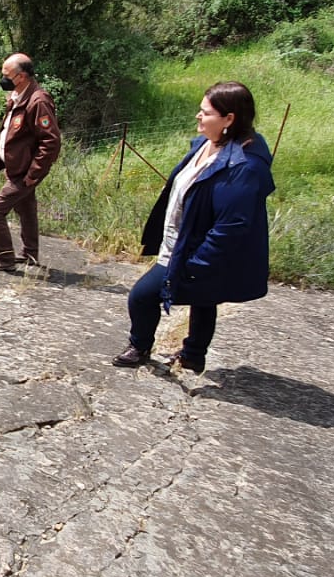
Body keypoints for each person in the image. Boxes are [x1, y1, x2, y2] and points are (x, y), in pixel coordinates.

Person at [115, 81, 273, 374]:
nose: (198, 117)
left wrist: (195, 264)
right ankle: (193, 355)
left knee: (142, 295)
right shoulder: (206, 144)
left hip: (192, 250)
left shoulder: (243, 167)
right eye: (200, 111)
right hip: (181, 239)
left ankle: (139, 346)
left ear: (229, 119)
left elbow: (231, 226)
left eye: (206, 113)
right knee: (205, 298)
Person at [0, 53, 61, 271]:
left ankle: (6, 260)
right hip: (16, 169)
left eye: (7, 75)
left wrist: (33, 175)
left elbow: (50, 142)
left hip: (24, 172)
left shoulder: (38, 101)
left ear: (22, 76)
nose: (3, 78)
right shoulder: (18, 97)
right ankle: (29, 254)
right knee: (26, 210)